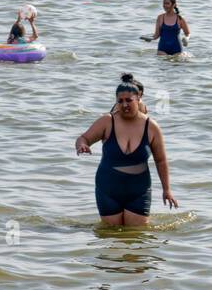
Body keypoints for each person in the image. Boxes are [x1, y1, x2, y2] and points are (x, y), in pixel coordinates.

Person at [75, 74, 178, 227]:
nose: (124, 105)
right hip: (108, 188)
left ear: (139, 99)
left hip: (139, 190)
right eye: (120, 101)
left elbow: (161, 160)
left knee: (136, 238)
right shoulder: (107, 121)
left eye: (129, 100)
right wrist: (82, 145)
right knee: (111, 238)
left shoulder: (151, 127)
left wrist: (167, 190)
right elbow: (83, 138)